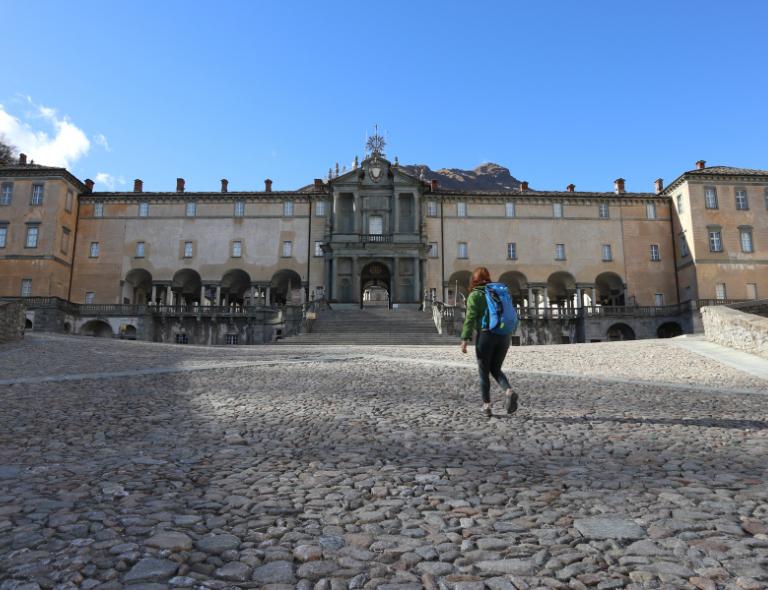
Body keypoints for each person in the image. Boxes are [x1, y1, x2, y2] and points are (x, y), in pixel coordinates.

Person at [460, 267, 518, 417]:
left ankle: (486, 405)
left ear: (474, 280)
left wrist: (465, 339)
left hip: (486, 335)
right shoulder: (499, 292)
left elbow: (470, 318)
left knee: (484, 372)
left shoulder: (475, 295)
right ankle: (508, 390)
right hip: (504, 335)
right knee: (496, 368)